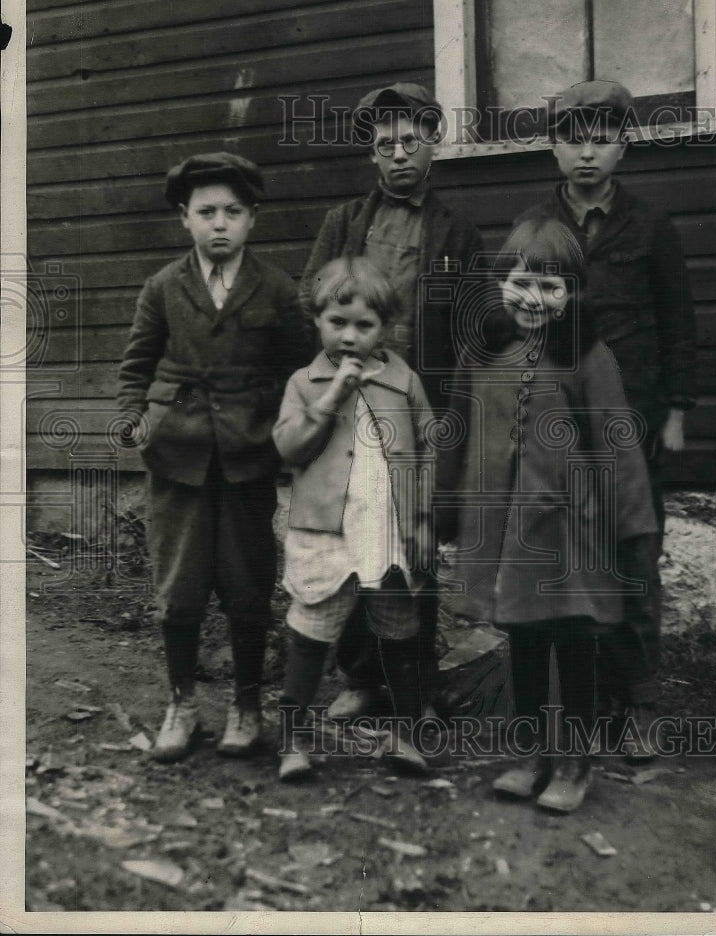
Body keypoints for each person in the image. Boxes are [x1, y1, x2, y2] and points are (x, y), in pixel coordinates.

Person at [440, 217, 660, 812]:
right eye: (521, 282)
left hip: (571, 530)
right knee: (526, 642)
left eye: (551, 286)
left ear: (572, 294)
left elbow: (617, 442)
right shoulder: (483, 352)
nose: (533, 299)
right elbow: (458, 432)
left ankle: (576, 760)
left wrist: (633, 525)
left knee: (575, 642)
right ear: (499, 283)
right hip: (508, 533)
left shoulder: (589, 356)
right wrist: (443, 507)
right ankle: (534, 752)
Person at [515, 79, 698, 753]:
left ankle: (640, 702)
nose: (585, 153)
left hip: (633, 418)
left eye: (601, 138)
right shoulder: (536, 224)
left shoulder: (650, 227)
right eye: (571, 139)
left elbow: (678, 325)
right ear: (554, 147)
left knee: (632, 559)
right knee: (567, 559)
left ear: (622, 145)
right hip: (559, 421)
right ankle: (579, 698)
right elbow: (515, 314)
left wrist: (674, 410)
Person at [299, 82, 485, 720]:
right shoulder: (344, 223)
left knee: (413, 542)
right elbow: (312, 297)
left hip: (417, 407)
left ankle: (417, 682)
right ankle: (361, 677)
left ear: (433, 143)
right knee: (353, 536)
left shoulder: (456, 232)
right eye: (386, 145)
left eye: (411, 141)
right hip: (351, 402)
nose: (399, 154)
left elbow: (471, 328)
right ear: (372, 155)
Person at [117, 152, 310, 762]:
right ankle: (182, 704)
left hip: (249, 460)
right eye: (206, 213)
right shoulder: (163, 287)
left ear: (252, 218)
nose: (219, 224)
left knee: (248, 586)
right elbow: (136, 365)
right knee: (179, 588)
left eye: (232, 212)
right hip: (178, 458)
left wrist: (284, 428)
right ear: (185, 219)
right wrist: (133, 419)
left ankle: (247, 706)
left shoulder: (277, 288)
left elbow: (301, 367)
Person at [273, 256, 435, 781]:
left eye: (364, 326)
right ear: (318, 321)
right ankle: (293, 737)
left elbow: (429, 445)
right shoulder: (305, 381)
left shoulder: (402, 379)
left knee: (398, 628)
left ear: (385, 328)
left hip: (387, 528)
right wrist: (332, 396)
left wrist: (424, 515)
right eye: (336, 323)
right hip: (327, 529)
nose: (349, 336)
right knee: (313, 625)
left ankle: (406, 732)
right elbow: (289, 448)